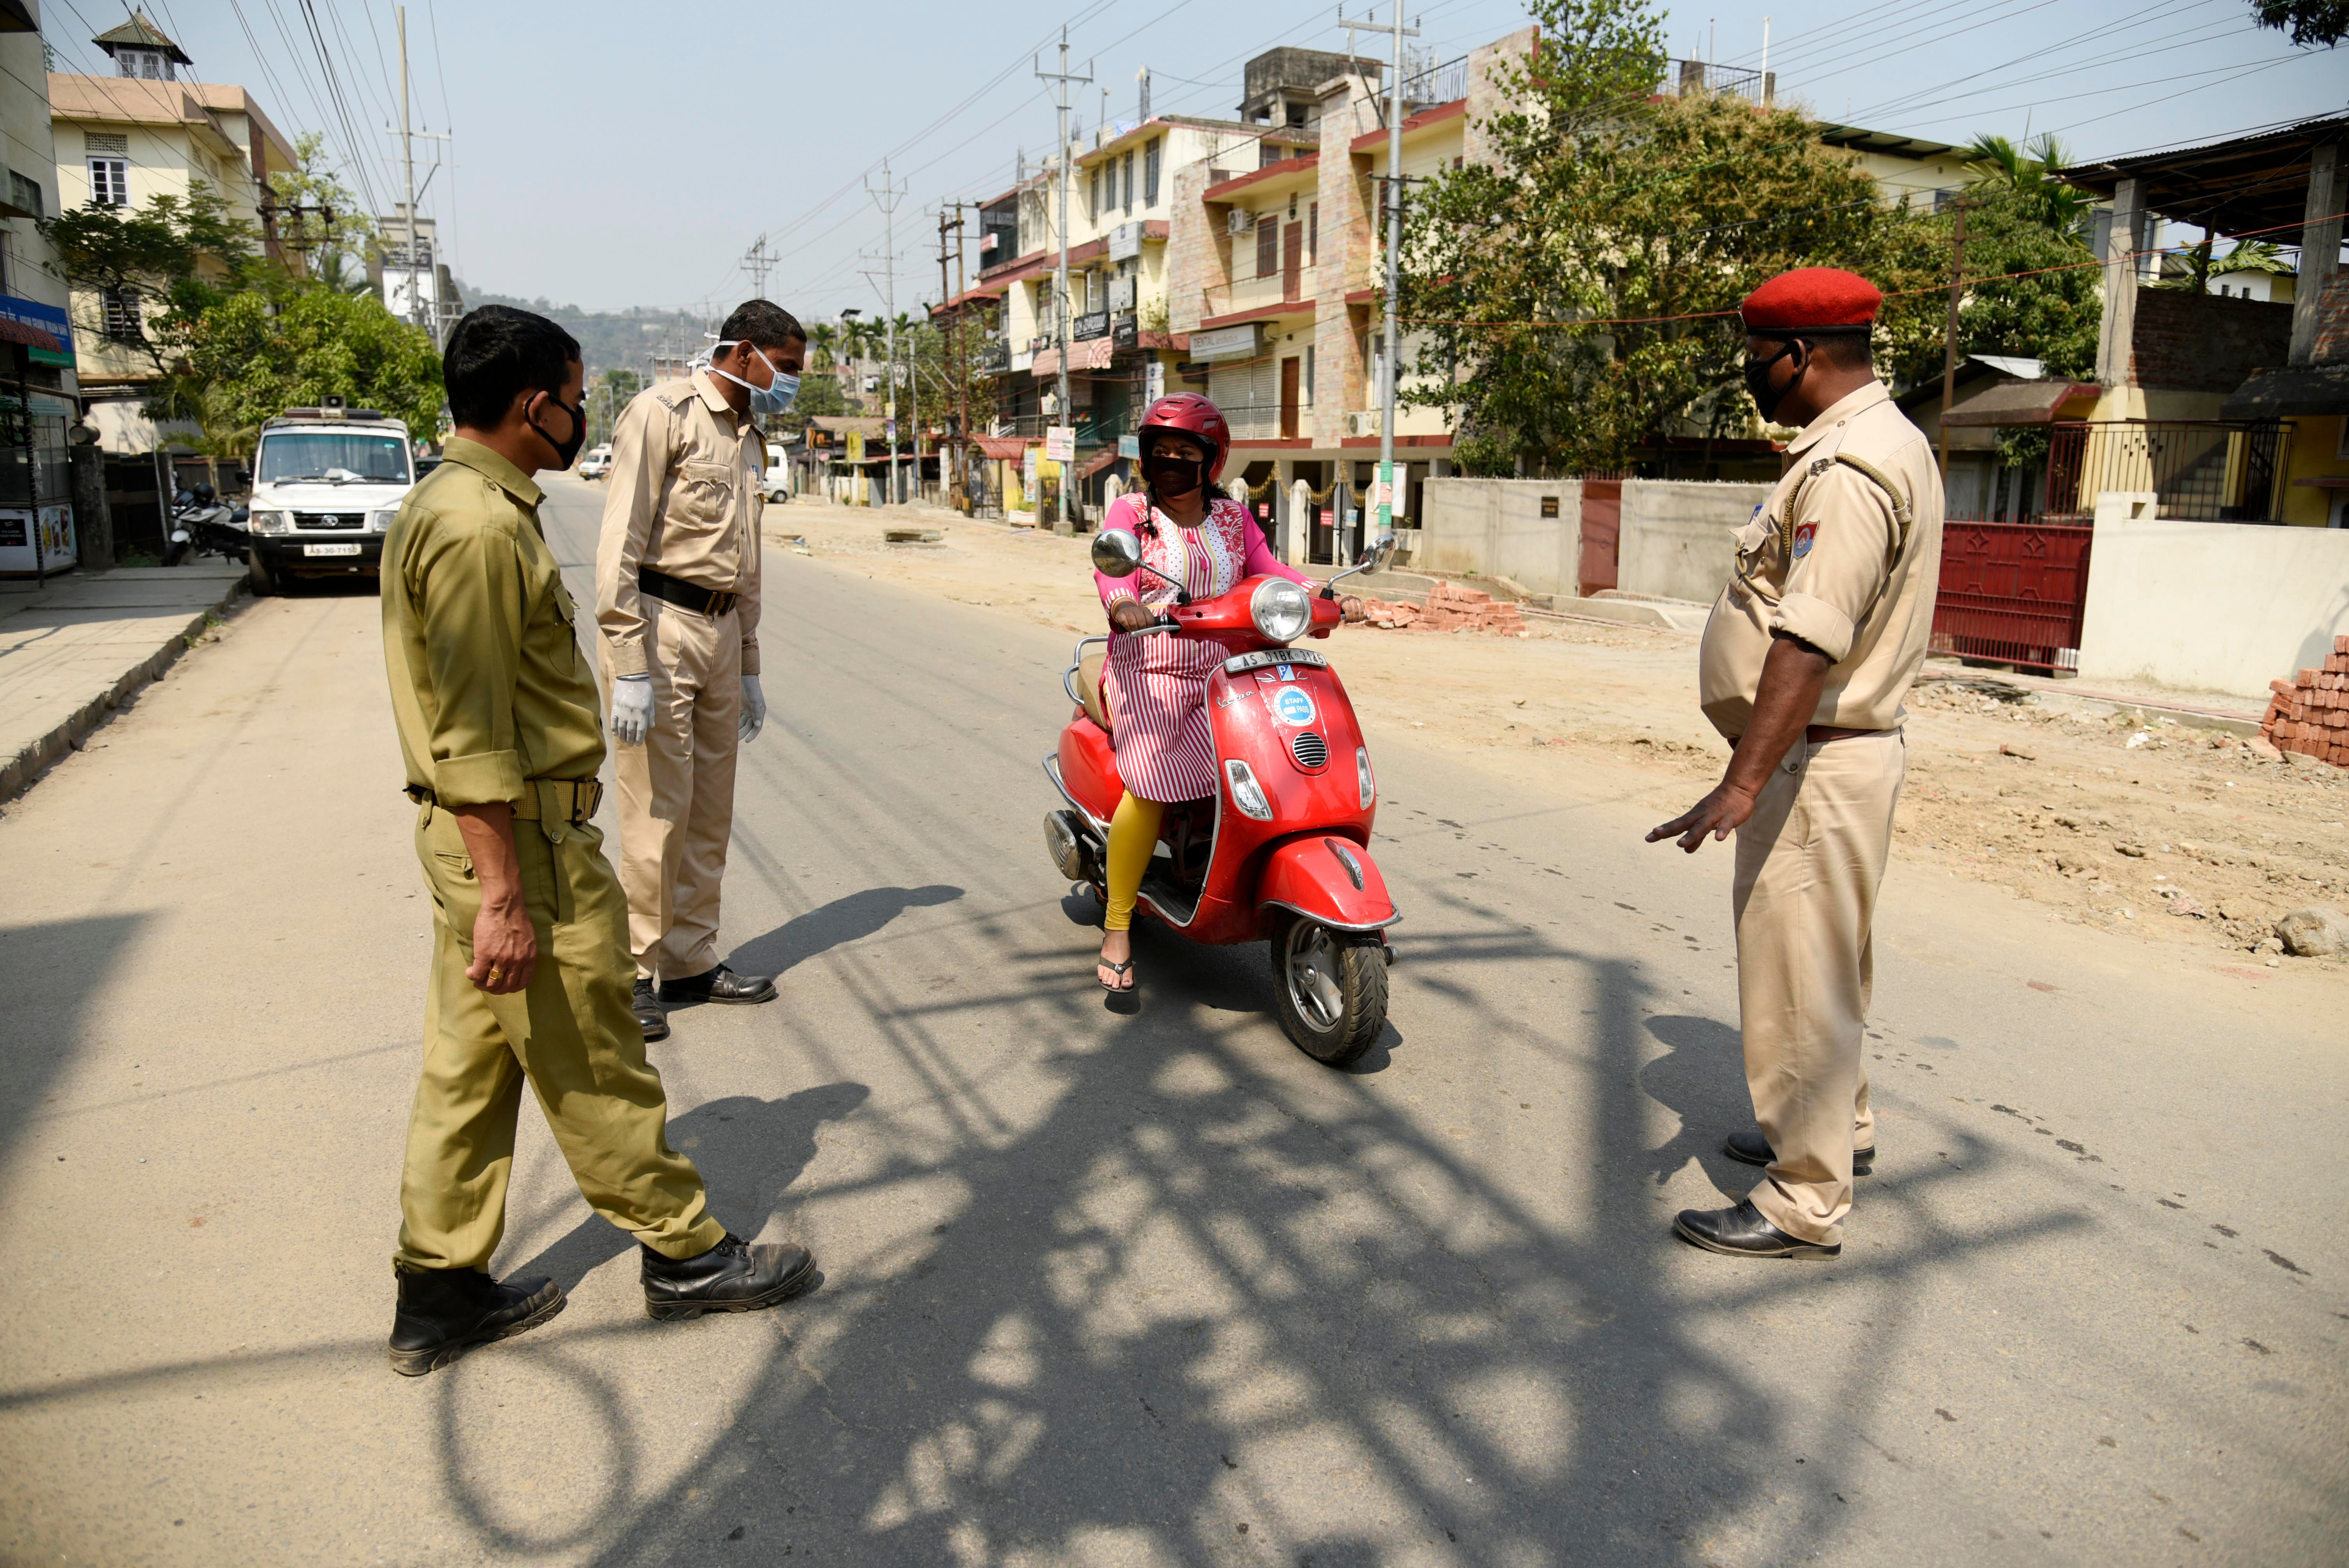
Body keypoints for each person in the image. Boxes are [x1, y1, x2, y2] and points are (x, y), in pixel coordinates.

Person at [379, 305, 816, 1376]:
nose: (582, 416)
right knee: (595, 1057)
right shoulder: (481, 530)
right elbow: (476, 735)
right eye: (574, 399)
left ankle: (439, 1290)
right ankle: (686, 1254)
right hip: (517, 841)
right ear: (535, 406)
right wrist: (506, 898)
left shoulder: (453, 502)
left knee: (470, 1066)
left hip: (480, 839)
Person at [1645, 267, 1943, 1261]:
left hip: (1814, 760)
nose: (1750, 377)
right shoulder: (1880, 440)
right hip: (1832, 754)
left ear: (1800, 356)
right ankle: (1838, 1127)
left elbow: (1806, 642)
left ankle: (1802, 1199)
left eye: (1754, 361)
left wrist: (1742, 780)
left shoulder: (1851, 469)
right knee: (1831, 961)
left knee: (1794, 974)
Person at [1091, 394, 1366, 992]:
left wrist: (1327, 596)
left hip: (1225, 667)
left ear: (1210, 461)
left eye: (1185, 453)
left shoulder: (1233, 519)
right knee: (1156, 783)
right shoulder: (1131, 513)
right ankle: (1118, 925)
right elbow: (1112, 572)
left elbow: (1274, 571)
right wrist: (1125, 606)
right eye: (1160, 453)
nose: (1171, 463)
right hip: (1151, 668)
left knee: (1268, 766)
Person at [597, 299, 807, 1041]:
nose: (789, 386)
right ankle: (631, 970)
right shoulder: (663, 414)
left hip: (719, 631)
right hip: (660, 626)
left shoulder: (747, 438)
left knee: (710, 806)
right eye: (784, 369)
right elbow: (621, 540)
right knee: (656, 807)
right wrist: (627, 662)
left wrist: (749, 661)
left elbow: (746, 561)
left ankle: (689, 959)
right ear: (744, 352)